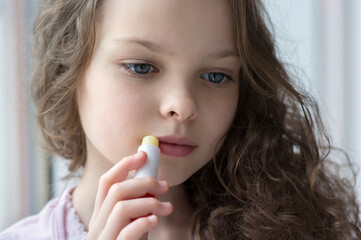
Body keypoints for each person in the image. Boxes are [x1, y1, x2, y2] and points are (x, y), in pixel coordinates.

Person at [1, 0, 360, 239]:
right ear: (68, 69)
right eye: (141, 67)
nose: (183, 106)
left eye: (216, 76)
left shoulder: (292, 228)